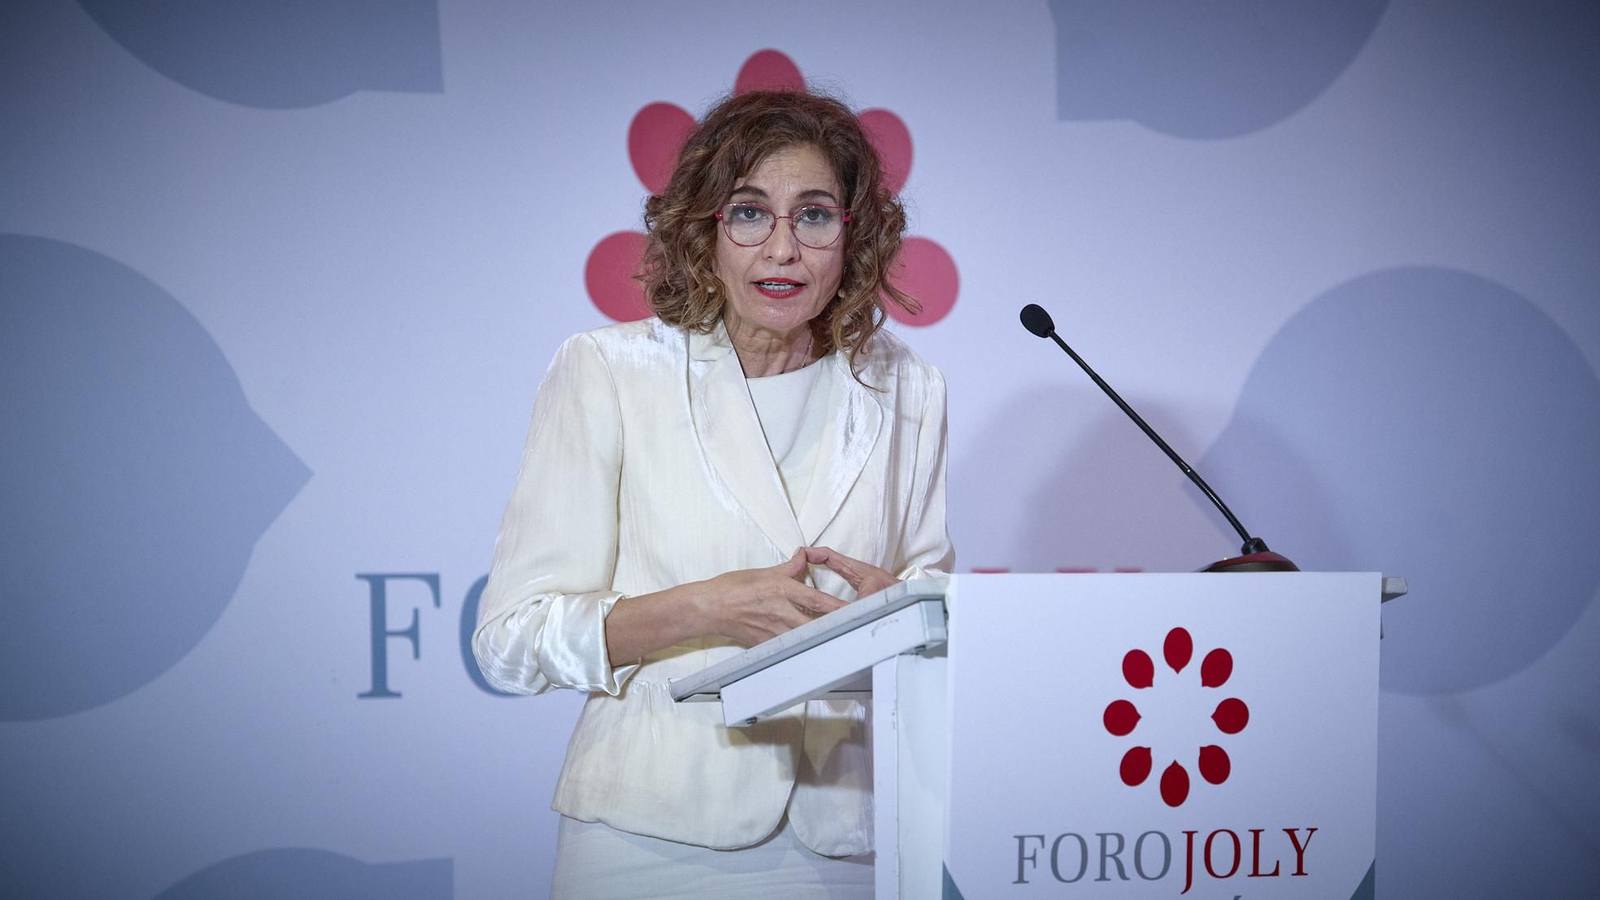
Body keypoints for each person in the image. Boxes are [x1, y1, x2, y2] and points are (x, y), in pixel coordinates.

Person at [473, 87, 953, 899]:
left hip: (852, 839)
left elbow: (933, 615)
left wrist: (908, 614)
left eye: (814, 215)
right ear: (704, 232)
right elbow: (511, 640)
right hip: (647, 838)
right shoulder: (610, 372)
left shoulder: (907, 387)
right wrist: (708, 609)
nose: (782, 249)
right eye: (748, 213)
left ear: (853, 235)